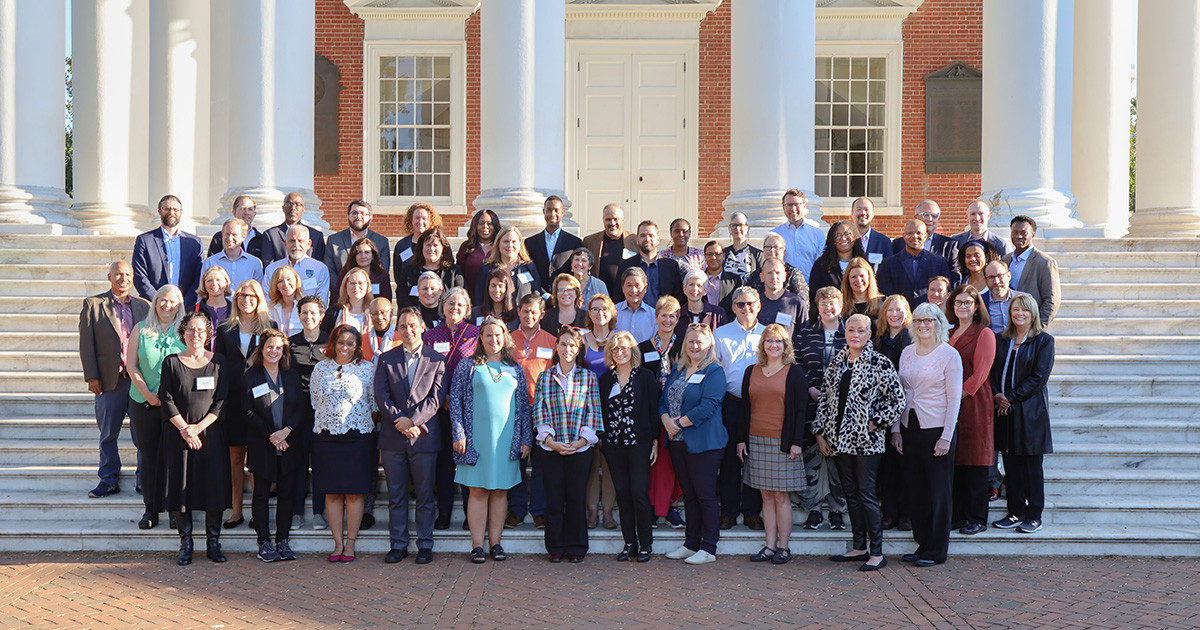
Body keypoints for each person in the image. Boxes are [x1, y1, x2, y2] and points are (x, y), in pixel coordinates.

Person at [814, 314, 905, 572]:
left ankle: (877, 552)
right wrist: (819, 433)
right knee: (851, 494)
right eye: (851, 330)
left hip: (867, 442)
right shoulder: (838, 362)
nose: (855, 335)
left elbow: (897, 400)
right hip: (839, 441)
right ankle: (859, 546)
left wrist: (875, 422)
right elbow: (824, 399)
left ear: (868, 334)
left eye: (861, 331)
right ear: (845, 333)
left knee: (865, 494)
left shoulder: (879, 362)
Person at [449, 317, 533, 563]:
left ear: (504, 337)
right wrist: (459, 433)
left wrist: (525, 437)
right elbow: (455, 402)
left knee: (499, 491)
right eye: (488, 335)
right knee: (477, 490)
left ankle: (495, 544)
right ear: (480, 338)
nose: (493, 339)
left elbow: (523, 407)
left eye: (498, 335)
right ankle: (477, 546)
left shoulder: (515, 368)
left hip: (506, 440)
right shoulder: (467, 366)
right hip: (475, 440)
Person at [375, 307, 448, 565]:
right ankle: (398, 545)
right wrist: (401, 421)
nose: (408, 330)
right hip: (393, 438)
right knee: (396, 495)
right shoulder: (386, 359)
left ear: (422, 327)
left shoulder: (437, 359)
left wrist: (414, 421)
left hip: (424, 437)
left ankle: (425, 545)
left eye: (413, 325)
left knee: (426, 495)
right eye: (403, 326)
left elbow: (436, 398)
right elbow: (381, 396)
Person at [894, 302, 963, 567]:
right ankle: (922, 544)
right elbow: (901, 393)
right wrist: (897, 429)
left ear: (939, 323)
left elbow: (954, 399)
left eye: (929, 320)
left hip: (937, 430)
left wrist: (947, 436)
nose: (922, 325)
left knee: (938, 491)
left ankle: (936, 550)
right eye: (918, 321)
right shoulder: (907, 352)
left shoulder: (949, 355)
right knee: (917, 490)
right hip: (910, 428)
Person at [159, 312, 231, 565]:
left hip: (211, 435)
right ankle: (186, 543)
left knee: (214, 486)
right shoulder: (171, 362)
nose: (195, 335)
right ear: (183, 333)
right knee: (181, 489)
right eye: (190, 330)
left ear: (208, 334)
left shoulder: (219, 362)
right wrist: (185, 429)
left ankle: (213, 542)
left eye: (201, 330)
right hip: (179, 437)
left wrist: (198, 428)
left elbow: (222, 401)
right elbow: (166, 399)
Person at [734, 324, 808, 565]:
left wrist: (797, 442)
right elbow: (744, 408)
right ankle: (769, 546)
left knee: (780, 496)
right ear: (762, 344)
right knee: (765, 495)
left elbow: (800, 411)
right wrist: (741, 439)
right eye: (769, 341)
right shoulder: (751, 371)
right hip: (756, 440)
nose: (774, 345)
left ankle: (784, 548)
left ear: (786, 345)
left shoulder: (794, 372)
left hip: (782, 443)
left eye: (779, 341)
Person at [78, 261, 152, 499]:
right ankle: (108, 479)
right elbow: (86, 344)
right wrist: (91, 376)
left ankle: (145, 478)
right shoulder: (93, 305)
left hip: (139, 380)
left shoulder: (145, 306)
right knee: (108, 433)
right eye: (118, 274)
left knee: (142, 434)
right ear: (109, 276)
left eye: (128, 274)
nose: (123, 278)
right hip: (111, 381)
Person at [661, 323, 729, 565]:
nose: (695, 346)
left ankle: (709, 547)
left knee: (705, 495)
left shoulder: (713, 371)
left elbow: (708, 406)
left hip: (705, 443)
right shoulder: (678, 370)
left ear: (709, 344)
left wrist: (678, 423)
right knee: (689, 494)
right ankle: (691, 544)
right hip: (678, 443)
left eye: (700, 341)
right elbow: (663, 400)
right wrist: (666, 419)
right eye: (690, 341)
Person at [533, 328, 603, 563]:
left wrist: (582, 441)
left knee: (575, 498)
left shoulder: (588, 377)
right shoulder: (545, 377)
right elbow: (540, 411)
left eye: (572, 345)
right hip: (551, 448)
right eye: (563, 344)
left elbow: (594, 412)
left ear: (578, 349)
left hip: (580, 448)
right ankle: (555, 546)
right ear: (556, 347)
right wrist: (551, 441)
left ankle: (576, 546)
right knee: (554, 498)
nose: (567, 349)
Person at [310, 324, 378, 562]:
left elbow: (373, 402)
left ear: (358, 347)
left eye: (350, 343)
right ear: (333, 344)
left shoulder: (367, 369)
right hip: (326, 436)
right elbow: (315, 400)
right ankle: (337, 543)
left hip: (358, 436)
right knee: (332, 491)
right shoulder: (320, 368)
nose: (345, 347)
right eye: (341, 342)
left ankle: (350, 543)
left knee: (354, 491)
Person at [213, 279, 277, 529]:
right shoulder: (224, 328)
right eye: (241, 295)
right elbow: (218, 364)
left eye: (251, 295)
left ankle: (257, 513)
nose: (246, 299)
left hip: (260, 401)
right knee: (235, 458)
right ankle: (236, 510)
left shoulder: (269, 327)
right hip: (232, 400)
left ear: (259, 298)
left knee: (259, 459)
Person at [990, 294, 1055, 535]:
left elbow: (1038, 378)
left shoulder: (1044, 341)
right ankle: (1015, 511)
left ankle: (1034, 514)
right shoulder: (1002, 339)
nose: (1019, 314)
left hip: (1030, 413)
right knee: (1010, 464)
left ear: (1033, 314)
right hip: (1004, 412)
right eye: (1015, 309)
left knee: (1031, 466)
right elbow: (992, 372)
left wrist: (1011, 397)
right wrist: (997, 394)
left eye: (1024, 310)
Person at [243, 329, 305, 562]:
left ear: (284, 351)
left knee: (286, 494)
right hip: (263, 444)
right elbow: (247, 411)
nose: (274, 351)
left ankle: (282, 540)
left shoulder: (291, 375)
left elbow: (300, 408)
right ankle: (264, 543)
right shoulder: (251, 376)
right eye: (269, 346)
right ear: (262, 349)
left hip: (289, 443)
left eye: (278, 347)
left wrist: (286, 431)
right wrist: (272, 435)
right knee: (261, 494)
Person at [125, 284, 184, 527]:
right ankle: (150, 509)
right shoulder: (140, 329)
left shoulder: (185, 331)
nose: (166, 305)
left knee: (174, 457)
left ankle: (173, 509)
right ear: (155, 302)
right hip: (143, 401)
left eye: (172, 301)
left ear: (179, 305)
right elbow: (131, 366)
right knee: (149, 456)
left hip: (178, 406)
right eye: (162, 300)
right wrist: (148, 393)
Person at [599, 332, 660, 562]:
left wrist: (654, 441)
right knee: (622, 494)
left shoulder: (644, 377)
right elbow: (601, 413)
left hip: (639, 444)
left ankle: (646, 543)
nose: (620, 352)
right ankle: (629, 543)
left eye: (624, 348)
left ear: (632, 350)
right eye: (615, 349)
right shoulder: (605, 380)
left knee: (638, 492)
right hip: (614, 446)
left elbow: (653, 409)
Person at [423, 287, 479, 530]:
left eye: (460, 304)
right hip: (438, 408)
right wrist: (442, 398)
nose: (454, 308)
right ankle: (443, 512)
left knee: (467, 460)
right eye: (450, 303)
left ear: (466, 309)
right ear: (442, 306)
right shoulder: (430, 336)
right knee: (444, 462)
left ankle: (471, 514)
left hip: (470, 409)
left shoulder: (476, 335)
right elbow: (425, 373)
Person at [794, 286, 848, 531]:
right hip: (811, 403)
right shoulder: (804, 332)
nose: (828, 308)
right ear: (817, 307)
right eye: (823, 303)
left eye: (833, 303)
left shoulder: (851, 332)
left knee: (837, 456)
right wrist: (808, 388)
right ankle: (814, 509)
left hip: (844, 407)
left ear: (841, 305)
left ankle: (837, 509)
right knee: (812, 455)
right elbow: (796, 364)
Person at [712, 287, 765, 531]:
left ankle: (752, 512)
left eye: (751, 303)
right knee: (730, 459)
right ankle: (729, 511)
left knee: (756, 458)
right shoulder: (720, 335)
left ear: (759, 305)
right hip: (730, 403)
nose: (746, 308)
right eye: (741, 304)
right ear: (733, 307)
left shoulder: (768, 335)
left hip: (760, 406)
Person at [946, 285, 996, 536]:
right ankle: (958, 516)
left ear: (977, 306)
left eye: (967, 302)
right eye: (958, 303)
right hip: (950, 404)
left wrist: (954, 397)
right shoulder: (949, 332)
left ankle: (976, 517)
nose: (962, 307)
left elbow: (979, 375)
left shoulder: (984, 333)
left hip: (974, 403)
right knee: (956, 462)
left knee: (975, 462)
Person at [507, 294, 557, 529]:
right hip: (512, 410)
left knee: (541, 462)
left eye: (533, 312)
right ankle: (516, 509)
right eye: (525, 311)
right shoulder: (507, 340)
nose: (529, 316)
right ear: (518, 311)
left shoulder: (552, 341)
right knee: (514, 462)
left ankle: (539, 510)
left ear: (541, 315)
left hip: (542, 411)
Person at [288, 295, 330, 530]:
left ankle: (317, 512)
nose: (309, 317)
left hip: (324, 410)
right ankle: (296, 512)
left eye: (313, 312)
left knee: (321, 460)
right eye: (304, 312)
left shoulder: (331, 342)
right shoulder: (290, 343)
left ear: (322, 316)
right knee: (299, 461)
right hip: (297, 411)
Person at [875, 294, 913, 530]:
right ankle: (889, 512)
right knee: (887, 465)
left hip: (906, 406)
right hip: (881, 409)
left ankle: (907, 513)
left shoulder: (911, 338)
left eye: (899, 310)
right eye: (890, 309)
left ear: (907, 312)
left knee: (905, 462)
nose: (895, 314)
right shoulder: (878, 339)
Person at [132, 194, 204, 310]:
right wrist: (159, 302)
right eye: (167, 209)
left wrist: (183, 304)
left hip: (185, 308)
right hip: (153, 307)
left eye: (175, 209)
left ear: (181, 212)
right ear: (159, 211)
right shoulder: (145, 240)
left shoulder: (194, 243)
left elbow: (199, 276)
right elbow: (140, 276)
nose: (171, 212)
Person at [877, 219, 954, 309]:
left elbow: (945, 292)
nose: (914, 236)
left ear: (926, 236)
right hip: (900, 316)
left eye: (919, 233)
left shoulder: (939, 262)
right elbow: (886, 294)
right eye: (910, 233)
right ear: (904, 236)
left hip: (930, 315)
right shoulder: (888, 263)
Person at [1002, 215, 1060, 327]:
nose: (1018, 236)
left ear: (1033, 234)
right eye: (1015, 232)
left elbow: (1052, 300)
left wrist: (1039, 327)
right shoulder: (1005, 260)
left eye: (1024, 233)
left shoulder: (1045, 262)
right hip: (1006, 326)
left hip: (1030, 326)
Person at [617, 220, 684, 307]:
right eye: (643, 236)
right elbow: (618, 297)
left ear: (658, 239)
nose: (647, 239)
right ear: (637, 239)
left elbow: (679, 297)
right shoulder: (625, 265)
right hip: (634, 317)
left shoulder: (671, 266)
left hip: (662, 318)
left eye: (651, 235)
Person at [808, 220, 866, 321]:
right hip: (831, 318)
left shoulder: (864, 263)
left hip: (861, 317)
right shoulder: (821, 264)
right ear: (832, 240)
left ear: (855, 236)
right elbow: (815, 294)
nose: (843, 238)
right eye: (838, 235)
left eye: (847, 234)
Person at [525, 195, 584, 293]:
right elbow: (528, 272)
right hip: (538, 297)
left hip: (565, 296)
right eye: (549, 210)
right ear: (543, 212)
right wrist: (543, 295)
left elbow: (577, 272)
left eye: (556, 210)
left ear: (562, 213)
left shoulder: (575, 243)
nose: (552, 214)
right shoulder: (530, 243)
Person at [890, 200, 960, 281]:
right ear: (916, 217)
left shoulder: (948, 245)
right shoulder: (898, 244)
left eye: (934, 216)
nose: (930, 219)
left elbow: (955, 276)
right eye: (925, 215)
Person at [251, 192, 326, 266]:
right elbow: (269, 266)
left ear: (303, 209)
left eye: (297, 204)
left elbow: (319, 266)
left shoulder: (316, 236)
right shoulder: (271, 235)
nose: (293, 208)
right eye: (288, 204)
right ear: (283, 208)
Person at [263, 225, 331, 306]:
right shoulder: (272, 269)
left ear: (309, 244)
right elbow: (266, 299)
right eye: (292, 241)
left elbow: (321, 302)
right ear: (285, 244)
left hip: (307, 317)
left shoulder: (320, 269)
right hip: (278, 316)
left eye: (300, 241)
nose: (296, 245)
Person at [324, 199, 391, 281]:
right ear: (348, 216)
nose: (358, 217)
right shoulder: (334, 241)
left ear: (370, 218)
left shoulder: (381, 241)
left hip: (373, 292)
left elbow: (382, 272)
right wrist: (343, 291)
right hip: (340, 292)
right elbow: (329, 271)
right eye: (354, 213)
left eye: (363, 214)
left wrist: (367, 292)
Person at [582, 203, 638, 296]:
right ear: (603, 221)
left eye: (616, 219)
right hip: (599, 296)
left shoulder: (634, 240)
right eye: (608, 219)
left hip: (627, 297)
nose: (612, 223)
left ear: (622, 220)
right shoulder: (590, 241)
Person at [476, 226, 542, 305]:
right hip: (494, 316)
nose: (510, 245)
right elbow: (478, 298)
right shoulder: (487, 268)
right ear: (498, 244)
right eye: (506, 241)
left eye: (514, 242)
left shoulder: (529, 267)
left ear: (520, 244)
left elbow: (536, 295)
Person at [771, 189, 825, 283]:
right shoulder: (775, 235)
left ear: (804, 206)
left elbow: (821, 265)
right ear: (783, 207)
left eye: (797, 204)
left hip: (811, 288)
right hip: (785, 290)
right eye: (789, 205)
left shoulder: (818, 234)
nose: (793, 209)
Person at [401, 227, 461, 308]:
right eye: (428, 245)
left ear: (443, 248)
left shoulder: (454, 272)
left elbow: (460, 298)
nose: (431, 249)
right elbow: (403, 299)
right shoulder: (409, 271)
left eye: (435, 245)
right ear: (421, 248)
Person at [202, 218, 264, 295]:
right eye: (227, 234)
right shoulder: (210, 262)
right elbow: (202, 292)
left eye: (234, 234)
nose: (229, 238)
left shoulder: (254, 263)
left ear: (243, 237)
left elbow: (259, 293)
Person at [719, 213, 764, 314]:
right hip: (726, 305)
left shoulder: (758, 255)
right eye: (734, 225)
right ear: (729, 229)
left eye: (741, 225)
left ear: (747, 228)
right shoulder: (723, 254)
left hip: (748, 306)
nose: (737, 228)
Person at [392, 202, 441, 292]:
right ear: (411, 220)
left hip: (434, 294)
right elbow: (398, 275)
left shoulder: (440, 244)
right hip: (409, 296)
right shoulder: (402, 246)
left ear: (431, 221)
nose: (420, 222)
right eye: (417, 218)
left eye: (424, 218)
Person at [332, 238, 392, 306]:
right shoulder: (346, 274)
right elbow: (338, 297)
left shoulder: (382, 275)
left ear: (373, 255)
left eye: (367, 252)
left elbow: (386, 301)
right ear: (354, 256)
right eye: (359, 253)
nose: (363, 256)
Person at [755, 258, 806, 336]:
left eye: (778, 273)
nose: (774, 277)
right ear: (762, 277)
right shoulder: (755, 304)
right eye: (769, 273)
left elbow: (804, 335)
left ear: (784, 276)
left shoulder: (796, 303)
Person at [456, 208, 499, 296]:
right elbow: (459, 274)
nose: (485, 226)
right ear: (475, 226)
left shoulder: (500, 247)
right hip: (471, 298)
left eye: (489, 223)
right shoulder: (466, 247)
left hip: (496, 299)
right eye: (481, 223)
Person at [982, 261, 1030, 335]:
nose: (996, 281)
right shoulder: (980, 302)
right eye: (991, 277)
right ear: (985, 281)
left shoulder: (1025, 299)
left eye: (1000, 276)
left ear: (1009, 276)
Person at [322, 268, 373, 334]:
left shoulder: (374, 312)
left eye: (360, 283)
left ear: (367, 285)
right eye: (352, 283)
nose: (356, 287)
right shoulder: (333, 313)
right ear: (345, 286)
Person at [614, 267, 656, 343]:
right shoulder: (613, 312)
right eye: (629, 285)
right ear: (623, 288)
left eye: (637, 286)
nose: (633, 290)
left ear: (645, 288)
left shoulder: (654, 316)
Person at [677, 268, 725, 336]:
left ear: (705, 291)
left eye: (699, 285)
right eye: (691, 285)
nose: (695, 289)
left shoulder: (718, 314)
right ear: (684, 289)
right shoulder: (678, 315)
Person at [582, 293, 617, 379]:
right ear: (589, 313)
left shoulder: (618, 340)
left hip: (612, 390)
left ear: (611, 313)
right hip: (588, 390)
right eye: (595, 309)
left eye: (604, 309)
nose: (600, 313)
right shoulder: (581, 340)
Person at [849, 197, 891, 268]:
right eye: (859, 209)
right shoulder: (845, 240)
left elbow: (889, 269)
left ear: (873, 214)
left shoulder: (884, 242)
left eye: (866, 210)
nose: (863, 213)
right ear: (852, 213)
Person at [840, 256, 884, 322]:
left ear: (869, 277)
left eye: (862, 276)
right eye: (853, 277)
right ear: (847, 280)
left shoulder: (883, 303)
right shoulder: (840, 305)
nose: (858, 280)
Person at [196, 266, 233, 340]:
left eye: (218, 280)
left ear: (226, 283)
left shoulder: (235, 310)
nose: (214, 283)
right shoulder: (195, 310)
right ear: (204, 284)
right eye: (209, 280)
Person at [267, 266, 304, 337]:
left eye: (289, 279)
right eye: (280, 281)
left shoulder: (305, 306)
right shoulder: (269, 308)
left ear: (296, 281)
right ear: (276, 286)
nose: (286, 284)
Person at [361, 298, 397, 362]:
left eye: (383, 313)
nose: (379, 317)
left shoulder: (400, 339)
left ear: (391, 313)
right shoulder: (362, 340)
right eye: (375, 313)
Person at [702, 240, 724, 308]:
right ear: (705, 257)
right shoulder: (699, 279)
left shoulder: (733, 280)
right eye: (709, 254)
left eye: (717, 254)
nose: (713, 257)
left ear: (723, 256)